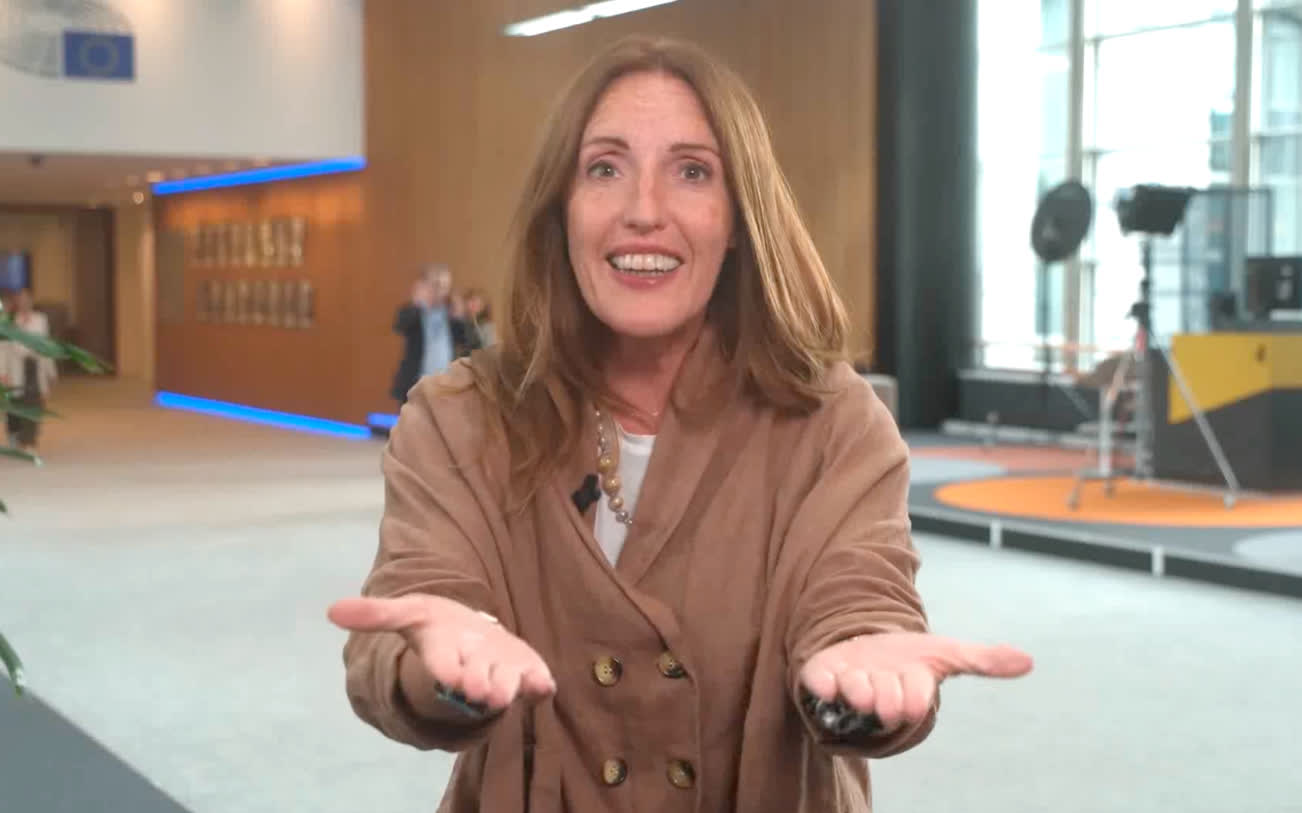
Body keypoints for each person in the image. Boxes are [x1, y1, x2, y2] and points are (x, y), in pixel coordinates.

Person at [331, 35, 1032, 812]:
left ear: (737, 219)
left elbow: (857, 592)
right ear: (561, 209)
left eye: (692, 171)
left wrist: (863, 661)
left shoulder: (834, 422)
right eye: (605, 168)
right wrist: (441, 663)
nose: (643, 211)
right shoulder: (458, 418)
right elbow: (416, 606)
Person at [388, 265, 480, 404]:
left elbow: (473, 343)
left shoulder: (451, 314)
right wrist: (418, 304)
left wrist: (461, 317)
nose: (441, 291)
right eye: (436, 285)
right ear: (424, 285)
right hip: (414, 384)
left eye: (445, 286)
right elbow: (400, 326)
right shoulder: (414, 310)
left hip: (445, 385)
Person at [2, 289, 56, 454]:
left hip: (35, 366)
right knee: (16, 405)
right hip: (15, 367)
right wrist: (2, 372)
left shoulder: (41, 319)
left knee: (34, 404)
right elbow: (3, 348)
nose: (25, 302)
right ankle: (15, 435)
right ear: (17, 302)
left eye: (27, 299)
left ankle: (29, 442)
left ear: (32, 301)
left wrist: (51, 372)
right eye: (21, 299)